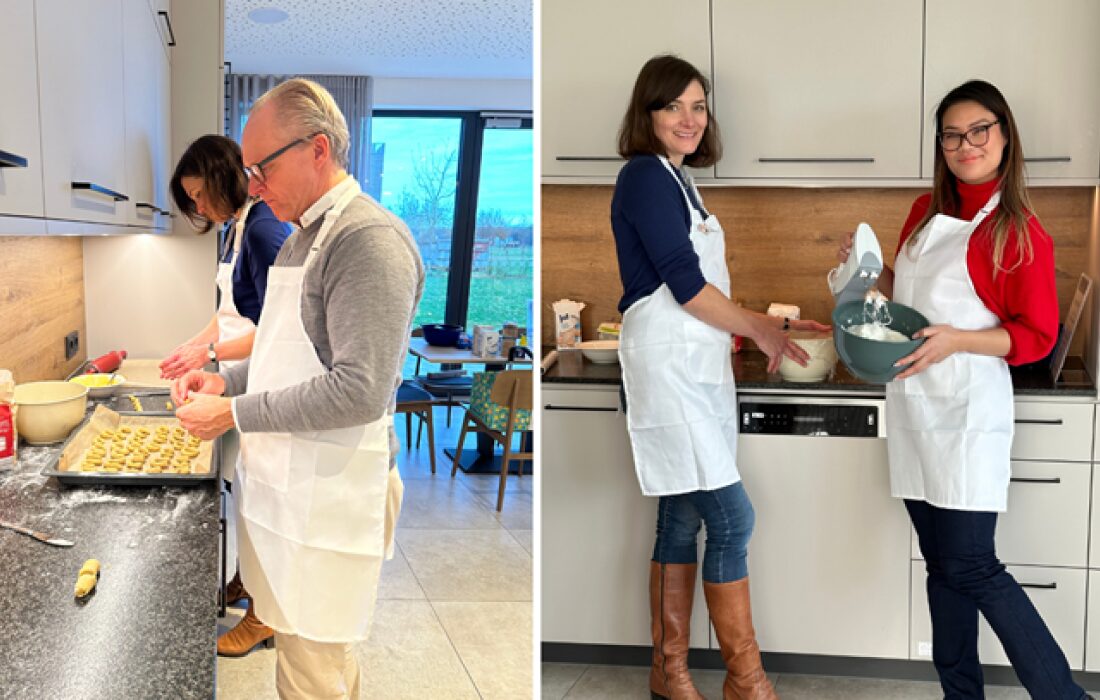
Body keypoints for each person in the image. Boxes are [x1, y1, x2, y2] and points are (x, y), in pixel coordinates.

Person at [838, 79, 1091, 700]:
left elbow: (1035, 336)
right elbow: (911, 298)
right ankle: (961, 694)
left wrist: (958, 341)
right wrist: (869, 273)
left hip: (967, 413)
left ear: (1005, 136)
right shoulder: (924, 213)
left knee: (973, 566)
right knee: (944, 567)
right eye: (952, 134)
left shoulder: (1017, 230)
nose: (965, 143)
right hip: (916, 407)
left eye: (980, 129)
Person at [172, 78, 424, 698]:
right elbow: (287, 361)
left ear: (317, 150)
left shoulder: (366, 240)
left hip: (336, 490)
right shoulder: (304, 236)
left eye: (261, 167)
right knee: (312, 665)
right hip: (300, 482)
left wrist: (232, 410)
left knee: (315, 673)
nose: (251, 184)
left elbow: (359, 391)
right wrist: (223, 376)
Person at [612, 54, 827, 700]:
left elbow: (699, 292)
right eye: (673, 105)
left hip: (696, 371)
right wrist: (760, 327)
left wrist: (758, 326)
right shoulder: (644, 178)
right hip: (668, 372)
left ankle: (669, 672)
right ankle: (746, 679)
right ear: (646, 115)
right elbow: (681, 282)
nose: (688, 118)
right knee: (733, 519)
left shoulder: (681, 182)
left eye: (698, 106)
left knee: (681, 518)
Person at [160, 134, 291, 657]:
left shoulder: (263, 231)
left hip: (261, 380)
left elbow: (282, 326)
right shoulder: (235, 229)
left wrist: (212, 358)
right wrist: (193, 346)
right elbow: (229, 308)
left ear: (223, 178)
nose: (197, 206)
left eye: (198, 194)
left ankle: (264, 615)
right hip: (235, 375)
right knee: (244, 491)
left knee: (261, 495)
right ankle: (247, 578)